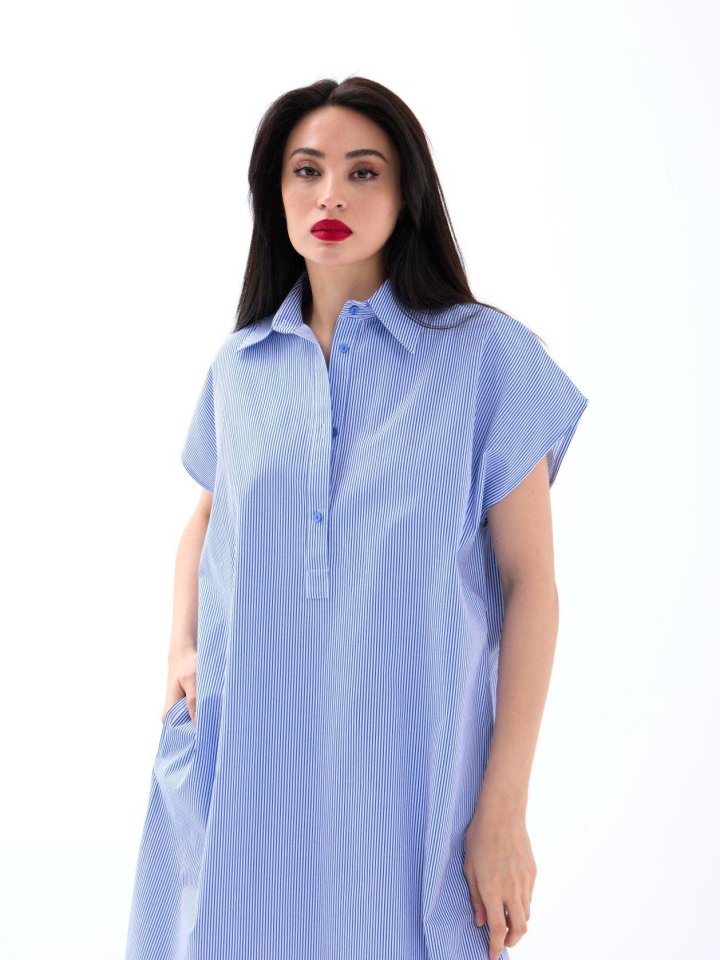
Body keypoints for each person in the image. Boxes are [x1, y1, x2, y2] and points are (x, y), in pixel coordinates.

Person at [124, 75, 590, 960]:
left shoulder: (486, 358)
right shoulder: (241, 367)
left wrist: (503, 806)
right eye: (306, 170)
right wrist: (181, 652)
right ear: (276, 193)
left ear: (407, 193)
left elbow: (532, 584)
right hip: (241, 773)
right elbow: (206, 519)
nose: (330, 194)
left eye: (363, 171)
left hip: (412, 785)